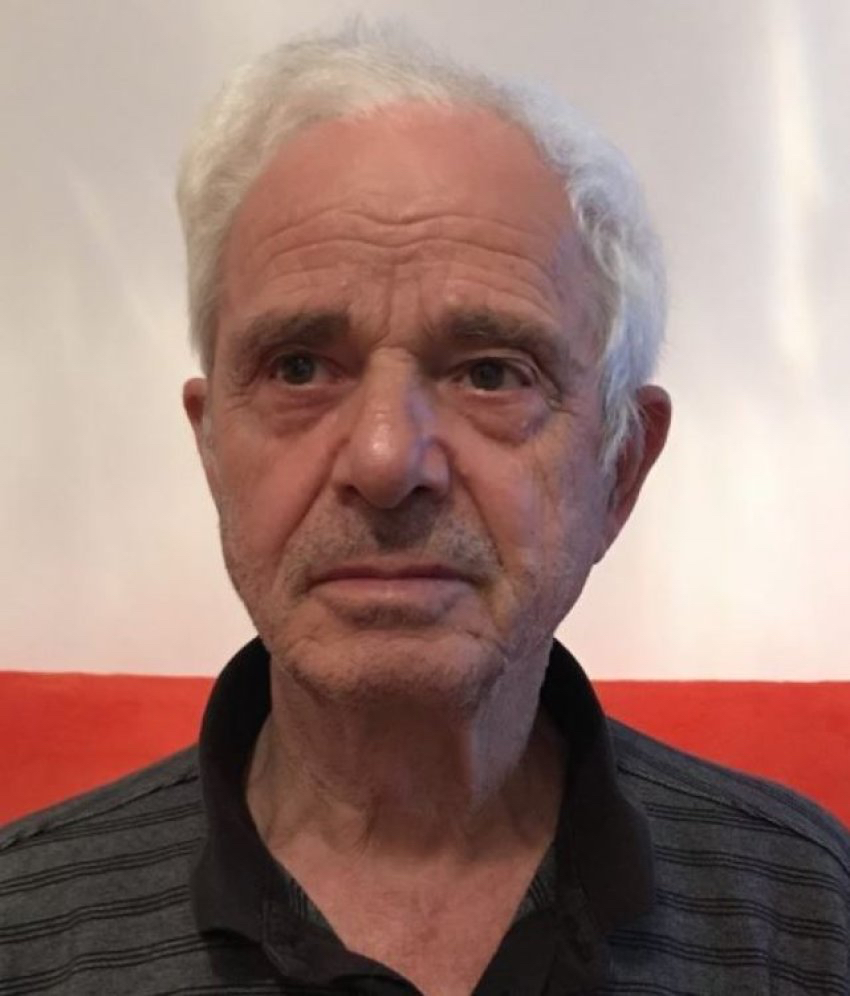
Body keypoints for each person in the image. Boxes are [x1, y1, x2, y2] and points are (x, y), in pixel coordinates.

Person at [1, 23, 848, 996]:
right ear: (212, 451)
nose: (384, 460)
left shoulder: (808, 910)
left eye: (490, 373)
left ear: (619, 469)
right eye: (299, 368)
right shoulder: (23, 929)